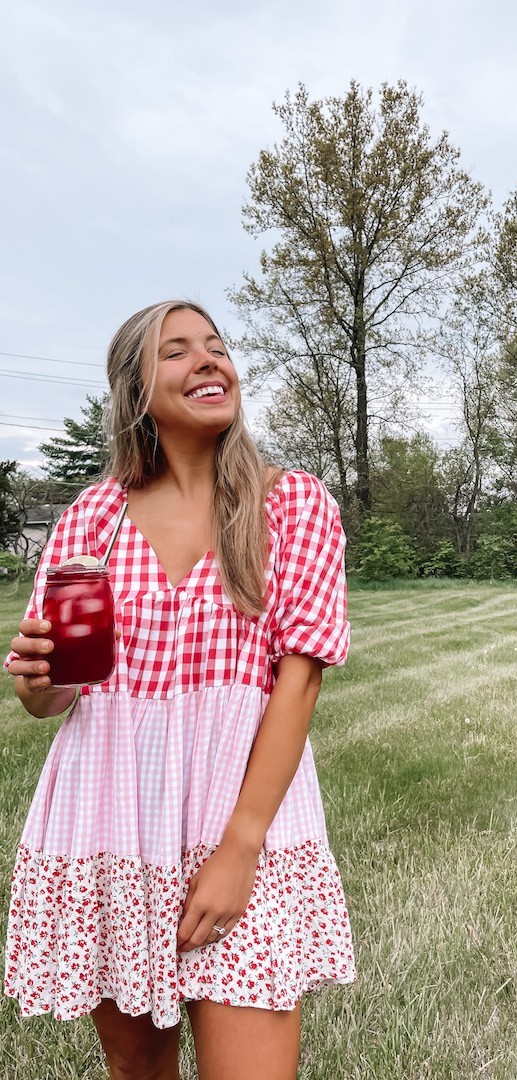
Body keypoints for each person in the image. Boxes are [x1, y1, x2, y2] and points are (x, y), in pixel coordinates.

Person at [5, 300, 355, 1079]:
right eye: (176, 351)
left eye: (216, 347)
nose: (207, 360)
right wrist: (40, 680)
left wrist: (240, 848)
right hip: (109, 823)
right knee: (140, 1073)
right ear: (135, 393)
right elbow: (61, 693)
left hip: (244, 825)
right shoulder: (91, 519)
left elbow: (298, 683)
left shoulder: (290, 507)